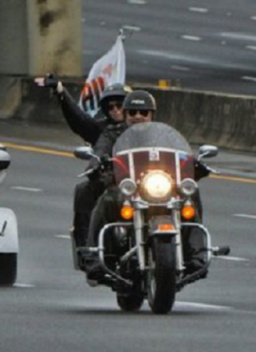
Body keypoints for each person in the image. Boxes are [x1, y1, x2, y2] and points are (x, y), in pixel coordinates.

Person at [84, 90, 210, 280]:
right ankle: (93, 255)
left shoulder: (165, 135)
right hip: (129, 190)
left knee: (190, 195)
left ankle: (197, 254)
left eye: (144, 112)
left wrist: (195, 165)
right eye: (133, 112)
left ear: (152, 115)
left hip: (161, 188)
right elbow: (100, 151)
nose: (138, 117)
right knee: (107, 199)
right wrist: (97, 163)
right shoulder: (113, 134)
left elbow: (182, 158)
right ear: (125, 115)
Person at [40, 75, 132, 254]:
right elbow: (81, 123)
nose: (115, 110)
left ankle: (193, 250)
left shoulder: (151, 129)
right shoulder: (105, 131)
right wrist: (62, 93)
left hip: (147, 181)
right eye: (110, 107)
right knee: (85, 190)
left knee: (186, 194)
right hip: (115, 180)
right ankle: (86, 248)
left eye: (120, 106)